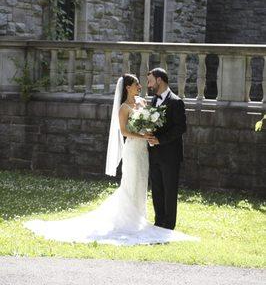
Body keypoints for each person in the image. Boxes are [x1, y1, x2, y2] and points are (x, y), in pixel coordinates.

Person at [24, 74, 197, 245]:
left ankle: (143, 218)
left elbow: (163, 123)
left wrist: (150, 134)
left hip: (146, 152)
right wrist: (143, 136)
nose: (142, 86)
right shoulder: (123, 108)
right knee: (132, 182)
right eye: (137, 83)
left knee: (142, 183)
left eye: (145, 82)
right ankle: (132, 219)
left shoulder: (145, 102)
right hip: (133, 148)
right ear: (128, 87)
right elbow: (124, 131)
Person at [147, 68, 186, 230]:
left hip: (170, 156)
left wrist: (160, 139)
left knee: (169, 191)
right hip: (154, 154)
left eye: (150, 81)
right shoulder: (153, 101)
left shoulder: (176, 102)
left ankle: (169, 225)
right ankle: (158, 221)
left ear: (159, 80)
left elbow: (180, 128)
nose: (148, 85)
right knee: (156, 189)